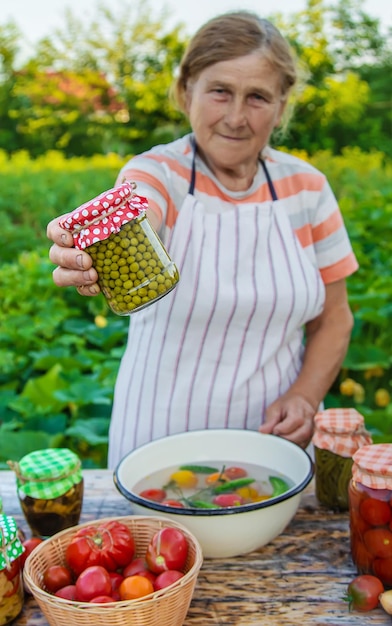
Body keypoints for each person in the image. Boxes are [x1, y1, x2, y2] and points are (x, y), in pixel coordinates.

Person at [47, 11, 358, 469]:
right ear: (187, 87)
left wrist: (305, 396)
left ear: (282, 102)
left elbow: (335, 319)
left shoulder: (307, 188)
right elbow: (140, 205)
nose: (235, 117)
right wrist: (102, 236)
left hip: (275, 447)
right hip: (158, 443)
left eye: (257, 97)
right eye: (220, 91)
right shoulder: (158, 172)